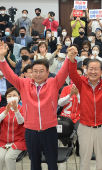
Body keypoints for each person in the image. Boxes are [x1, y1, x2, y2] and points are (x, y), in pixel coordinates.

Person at [0, 40, 73, 170]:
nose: (38, 74)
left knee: (52, 163)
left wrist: (68, 57)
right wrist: (1, 58)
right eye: (35, 71)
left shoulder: (53, 83)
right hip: (31, 131)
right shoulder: (24, 84)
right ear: (31, 72)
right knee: (34, 164)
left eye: (41, 71)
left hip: (49, 130)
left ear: (47, 72)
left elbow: (63, 71)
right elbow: (9, 75)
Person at [68, 48, 102, 170]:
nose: (93, 72)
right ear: (86, 70)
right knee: (84, 161)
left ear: (101, 71)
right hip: (85, 127)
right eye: (90, 69)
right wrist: (72, 60)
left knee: (101, 162)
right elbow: (73, 73)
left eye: (96, 69)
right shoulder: (81, 82)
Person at [0, 87, 26, 170]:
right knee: (0, 157)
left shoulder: (23, 109)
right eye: (9, 96)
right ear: (6, 98)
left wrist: (16, 110)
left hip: (19, 141)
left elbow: (21, 122)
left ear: (19, 97)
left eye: (14, 95)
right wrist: (6, 112)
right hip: (3, 141)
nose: (12, 97)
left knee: (9, 158)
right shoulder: (2, 109)